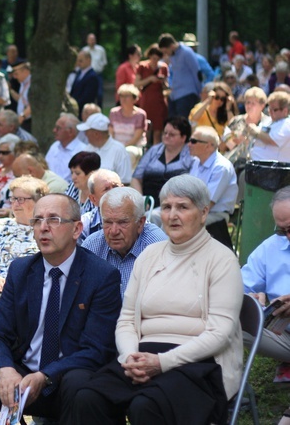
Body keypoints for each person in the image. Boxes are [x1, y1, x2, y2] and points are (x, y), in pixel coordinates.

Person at [71, 175, 243, 425]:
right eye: (167, 207)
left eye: (183, 207)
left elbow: (221, 333)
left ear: (204, 213)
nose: (173, 215)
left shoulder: (222, 260)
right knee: (87, 397)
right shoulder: (150, 256)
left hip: (197, 364)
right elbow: (127, 319)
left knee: (146, 406)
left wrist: (162, 362)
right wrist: (130, 357)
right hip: (142, 358)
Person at [0, 193, 122, 424]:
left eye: (53, 220)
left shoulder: (101, 275)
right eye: (37, 220)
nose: (43, 228)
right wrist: (4, 369)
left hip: (66, 378)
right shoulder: (21, 270)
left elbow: (96, 350)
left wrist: (45, 376)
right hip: (23, 375)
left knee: (79, 381)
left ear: (76, 229)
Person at [241, 187, 290, 393]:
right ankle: (228, 391)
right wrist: (250, 299)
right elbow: (236, 287)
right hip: (283, 337)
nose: (287, 236)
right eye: (282, 230)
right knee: (228, 322)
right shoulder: (271, 248)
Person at [81, 187, 167, 297]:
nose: (114, 231)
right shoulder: (92, 245)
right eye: (107, 222)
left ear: (140, 223)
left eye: (122, 222)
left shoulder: (157, 246)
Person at [0, 176, 48, 300]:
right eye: (13, 198)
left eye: (21, 199)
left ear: (39, 202)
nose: (15, 204)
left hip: (26, 290)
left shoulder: (46, 231)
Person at [131, 116, 193, 207]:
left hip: (174, 205)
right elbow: (136, 178)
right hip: (147, 202)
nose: (166, 136)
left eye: (172, 134)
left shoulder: (190, 155)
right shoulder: (154, 151)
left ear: (183, 137)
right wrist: (141, 201)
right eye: (165, 133)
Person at [222, 86, 271, 173]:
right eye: (247, 102)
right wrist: (234, 142)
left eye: (253, 103)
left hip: (258, 167)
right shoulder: (236, 121)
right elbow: (223, 144)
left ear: (262, 105)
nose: (249, 106)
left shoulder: (268, 123)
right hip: (233, 165)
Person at [78, 113, 133, 184]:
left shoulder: (119, 150)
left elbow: (125, 182)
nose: (85, 134)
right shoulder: (87, 149)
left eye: (87, 132)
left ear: (96, 134)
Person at [158, 33, 202, 118]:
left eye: (166, 51)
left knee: (182, 122)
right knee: (171, 121)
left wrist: (199, 91)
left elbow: (197, 72)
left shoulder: (187, 52)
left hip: (187, 94)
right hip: (175, 95)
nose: (166, 54)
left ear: (171, 46)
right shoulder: (172, 56)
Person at [135, 44, 169, 145]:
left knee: (158, 130)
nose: (155, 60)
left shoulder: (163, 67)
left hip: (159, 101)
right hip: (146, 100)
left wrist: (162, 81)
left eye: (157, 58)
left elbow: (166, 85)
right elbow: (136, 84)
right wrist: (150, 79)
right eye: (153, 58)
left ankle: (156, 153)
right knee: (146, 129)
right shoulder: (142, 66)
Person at [109, 84, 147, 168]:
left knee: (128, 153)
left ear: (134, 99)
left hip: (134, 146)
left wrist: (121, 148)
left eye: (126, 96)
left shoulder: (140, 114)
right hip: (116, 146)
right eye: (121, 96)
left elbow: (136, 138)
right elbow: (110, 134)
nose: (123, 99)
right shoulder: (114, 112)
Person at [249, 90, 290, 162]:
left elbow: (272, 140)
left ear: (285, 111)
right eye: (269, 108)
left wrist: (255, 131)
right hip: (257, 165)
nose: (270, 112)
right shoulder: (269, 121)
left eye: (274, 109)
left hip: (274, 170)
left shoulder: (287, 124)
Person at [46, 113, 86, 183]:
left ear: (70, 131)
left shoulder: (82, 151)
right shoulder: (54, 146)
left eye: (58, 128)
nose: (54, 130)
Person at [70, 49, 99, 116]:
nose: (78, 63)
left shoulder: (92, 76)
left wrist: (75, 106)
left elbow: (88, 97)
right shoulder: (79, 73)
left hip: (84, 111)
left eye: (81, 61)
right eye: (77, 61)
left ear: (88, 60)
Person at [82, 33, 108, 106]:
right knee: (88, 93)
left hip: (98, 74)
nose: (92, 41)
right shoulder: (84, 50)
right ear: (87, 41)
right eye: (90, 40)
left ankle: (99, 110)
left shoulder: (101, 50)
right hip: (87, 74)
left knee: (99, 94)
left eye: (93, 40)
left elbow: (104, 62)